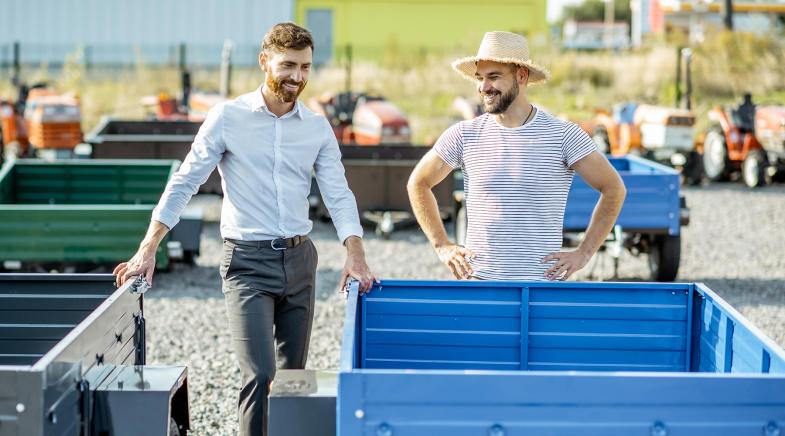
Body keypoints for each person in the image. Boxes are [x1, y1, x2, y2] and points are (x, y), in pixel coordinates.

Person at [113, 22, 376, 436]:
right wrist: (149, 247)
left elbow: (338, 193)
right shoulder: (228, 118)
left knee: (293, 382)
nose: (297, 77)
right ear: (264, 61)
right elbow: (186, 181)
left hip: (300, 261)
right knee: (260, 374)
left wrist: (355, 253)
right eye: (288, 65)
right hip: (246, 264)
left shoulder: (316, 127)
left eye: (305, 67)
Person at [408, 31, 626, 281]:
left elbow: (613, 188)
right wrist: (441, 245)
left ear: (521, 76)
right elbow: (418, 183)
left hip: (541, 288)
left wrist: (584, 253)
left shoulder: (563, 135)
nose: (483, 87)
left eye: (494, 77)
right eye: (480, 78)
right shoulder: (464, 135)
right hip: (480, 286)